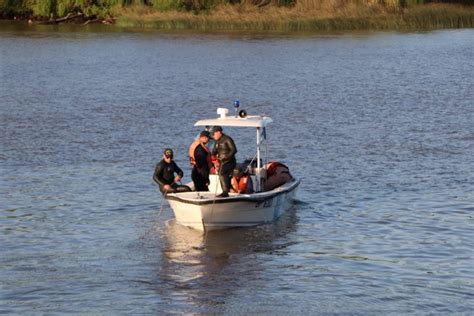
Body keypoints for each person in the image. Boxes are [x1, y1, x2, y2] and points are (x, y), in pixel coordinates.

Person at [210, 126, 237, 198]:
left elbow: (234, 150)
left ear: (219, 132)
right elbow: (214, 152)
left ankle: (225, 192)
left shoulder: (227, 139)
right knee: (220, 172)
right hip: (221, 162)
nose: (213, 136)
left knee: (222, 173)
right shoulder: (217, 141)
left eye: (214, 134)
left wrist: (227, 157)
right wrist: (214, 159)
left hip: (229, 161)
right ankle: (227, 189)